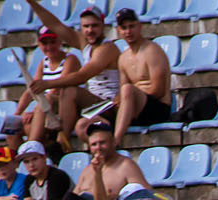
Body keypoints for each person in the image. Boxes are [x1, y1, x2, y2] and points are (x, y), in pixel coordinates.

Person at [22, 3, 122, 148]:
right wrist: (32, 3)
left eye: (94, 26)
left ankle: (63, 142)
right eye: (86, 27)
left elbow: (82, 76)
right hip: (91, 106)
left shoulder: (107, 48)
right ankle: (33, 148)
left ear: (103, 25)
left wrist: (48, 84)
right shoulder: (84, 42)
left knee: (68, 90)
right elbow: (55, 25)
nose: (90, 30)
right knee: (46, 100)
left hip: (108, 106)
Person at [104, 7, 175, 149]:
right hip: (134, 107)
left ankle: (116, 141)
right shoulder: (123, 58)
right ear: (119, 31)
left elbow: (159, 91)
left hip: (157, 108)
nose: (128, 31)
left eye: (131, 26)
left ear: (140, 26)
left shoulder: (152, 50)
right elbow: (121, 92)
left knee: (128, 90)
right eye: (124, 28)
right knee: (85, 122)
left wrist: (131, 100)